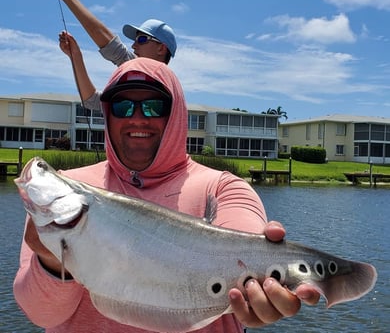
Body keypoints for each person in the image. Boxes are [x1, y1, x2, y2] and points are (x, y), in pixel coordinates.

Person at [14, 58, 319, 333]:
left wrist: (261, 294)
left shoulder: (224, 188)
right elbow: (41, 314)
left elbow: (243, 240)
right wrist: (50, 260)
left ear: (176, 114)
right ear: (108, 114)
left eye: (153, 106)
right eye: (122, 106)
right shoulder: (70, 186)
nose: (137, 118)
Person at [52, 0, 177, 109]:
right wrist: (75, 56)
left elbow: (113, 48)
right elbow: (92, 101)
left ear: (161, 49)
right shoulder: (136, 79)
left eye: (142, 39)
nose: (134, 45)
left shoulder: (160, 81)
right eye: (135, 40)